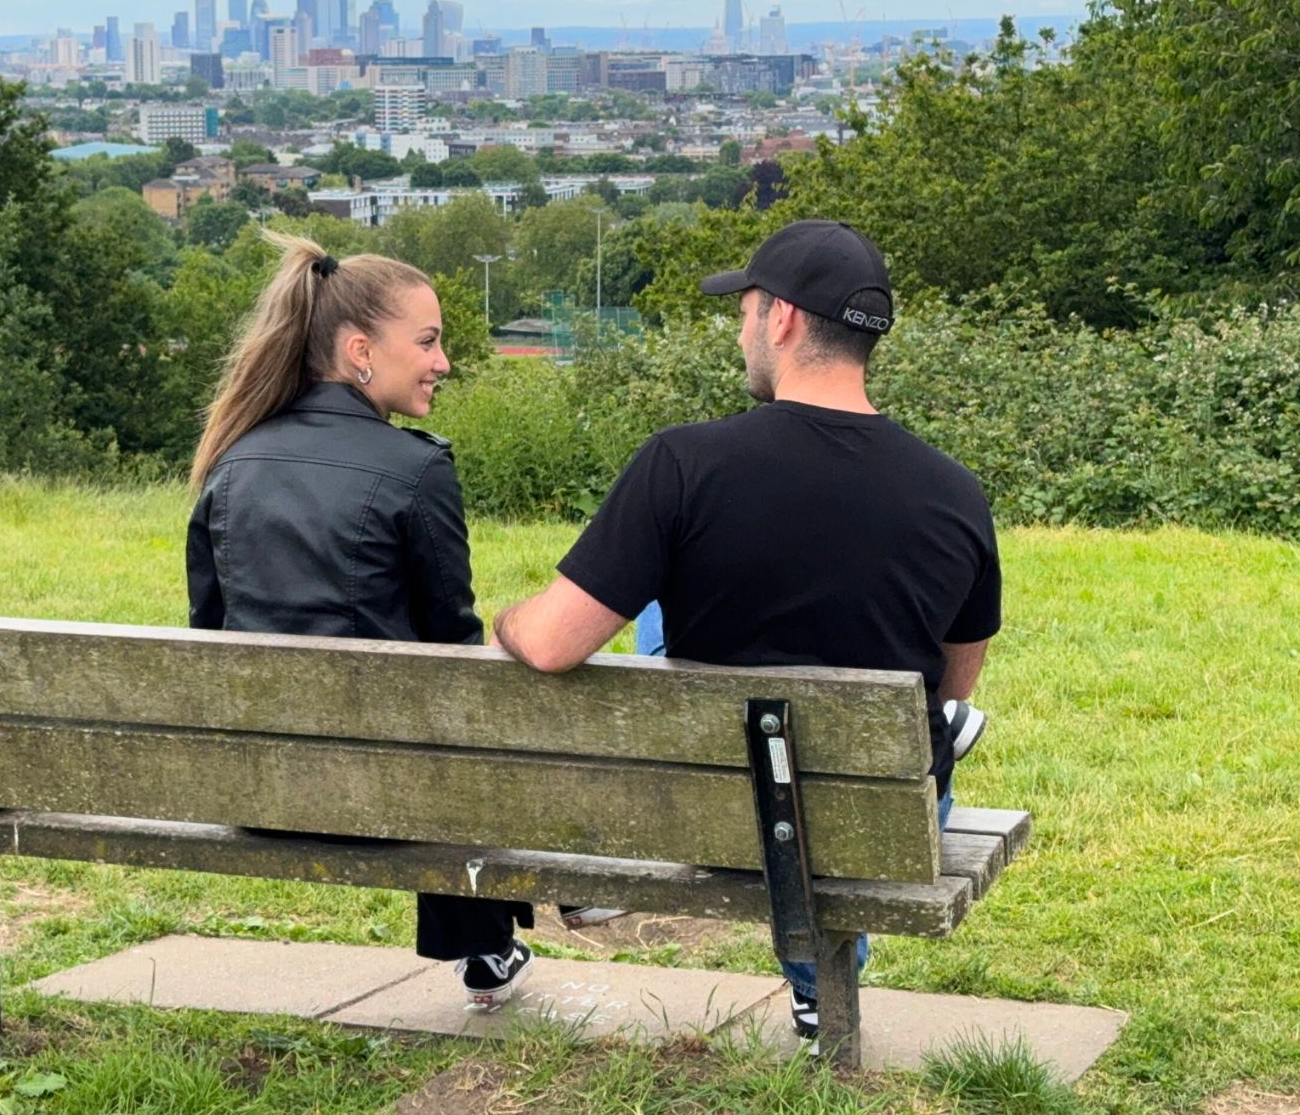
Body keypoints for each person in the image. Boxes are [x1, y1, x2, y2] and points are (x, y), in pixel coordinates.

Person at [491, 219, 1001, 1042]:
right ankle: (818, 988)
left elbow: (550, 644)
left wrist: (506, 619)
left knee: (660, 596)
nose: (740, 334)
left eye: (744, 313)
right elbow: (954, 683)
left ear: (783, 318)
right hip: (880, 819)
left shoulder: (682, 464)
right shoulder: (956, 492)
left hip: (715, 809)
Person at [185, 232, 537, 1009]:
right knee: (460, 713)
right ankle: (483, 946)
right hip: (384, 798)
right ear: (359, 351)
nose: (444, 362)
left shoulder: (232, 461)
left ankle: (488, 945)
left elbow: (207, 628)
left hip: (261, 792)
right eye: (429, 341)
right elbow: (453, 648)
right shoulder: (417, 468)